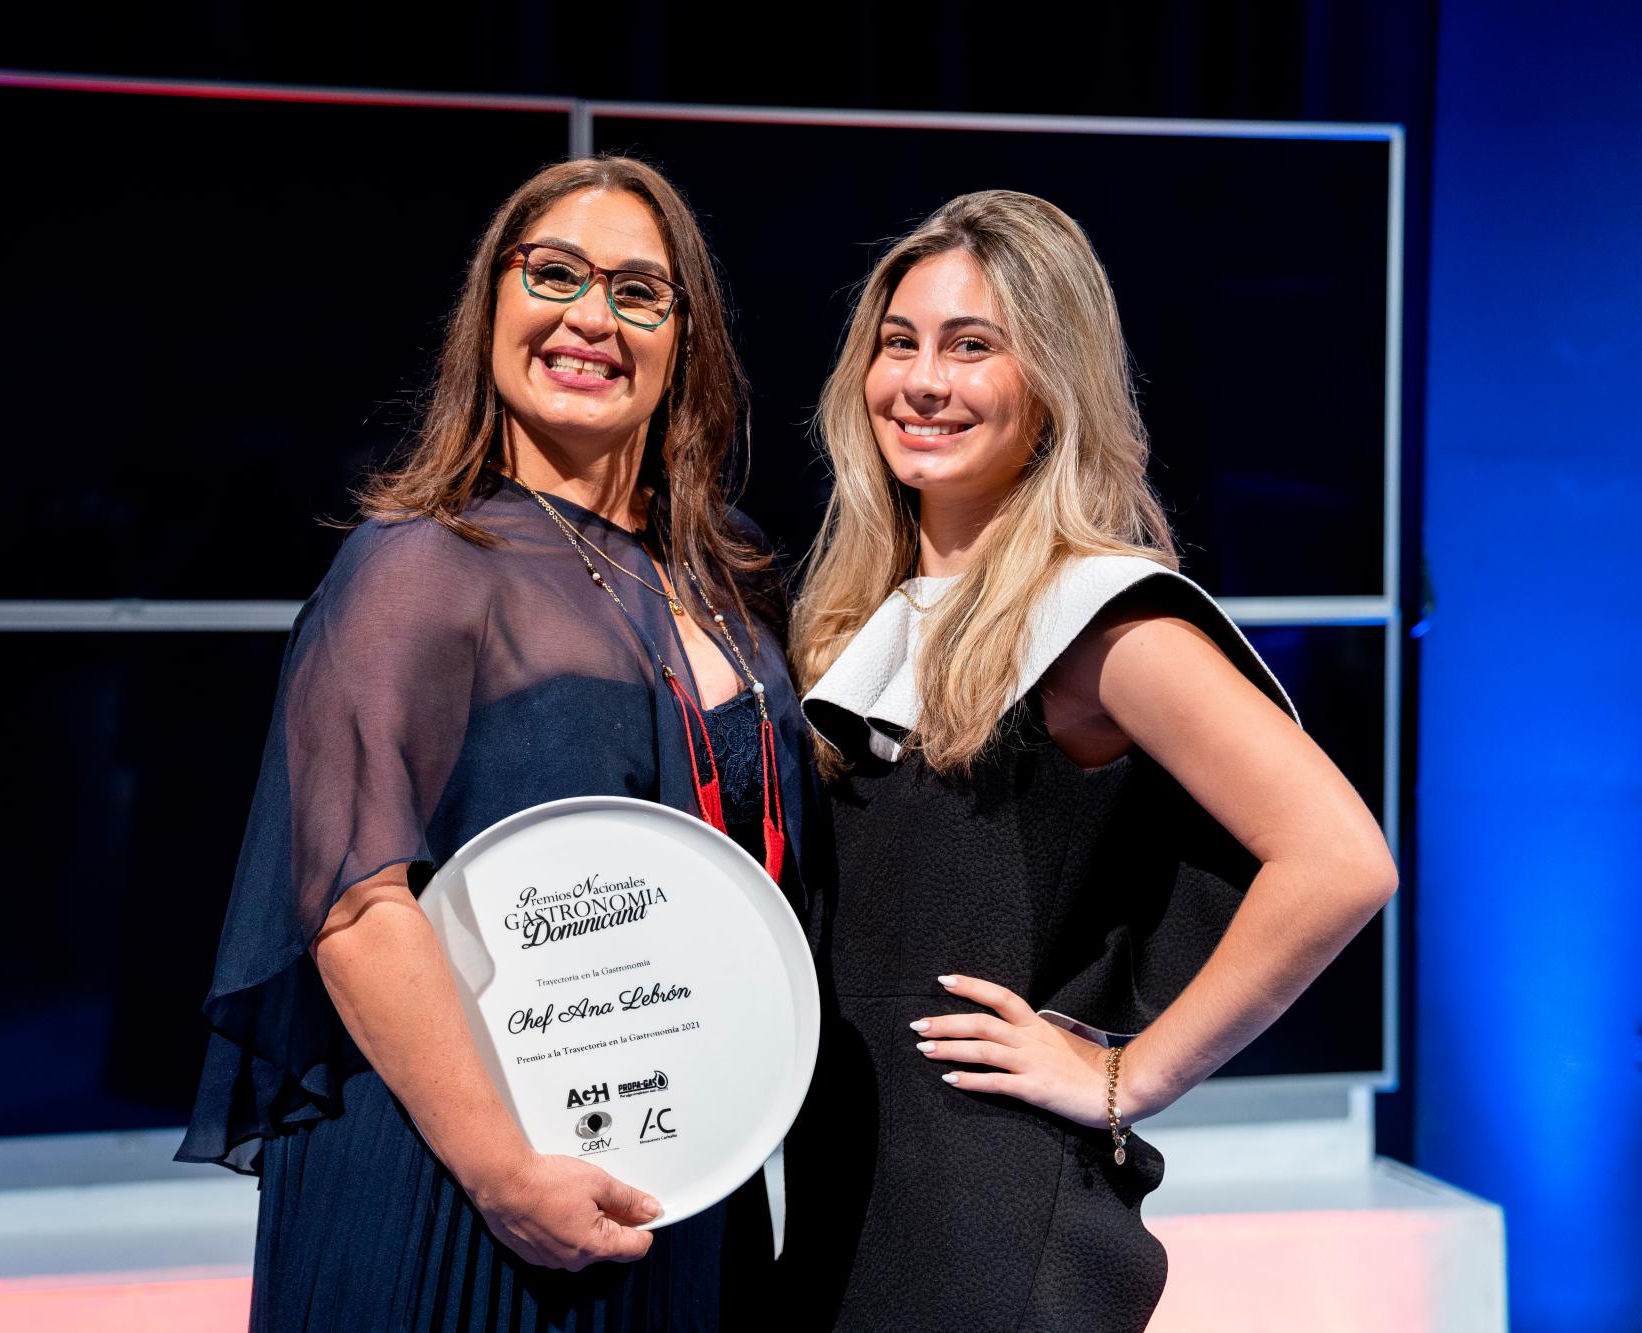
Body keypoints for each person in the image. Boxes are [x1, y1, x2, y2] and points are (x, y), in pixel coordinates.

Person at [174, 155, 819, 1332]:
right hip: (461, 1179)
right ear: (491, 306)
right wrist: (503, 1174)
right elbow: (355, 905)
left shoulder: (727, 568)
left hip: (671, 1162)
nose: (589, 318)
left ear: (687, 338)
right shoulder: (421, 565)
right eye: (555, 274)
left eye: (638, 291)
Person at [781, 190, 1399, 1331]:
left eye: (973, 347)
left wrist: (1128, 1077)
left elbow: (1339, 859)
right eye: (898, 343)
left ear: (1051, 384)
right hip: (851, 1201)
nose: (921, 381)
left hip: (987, 1222)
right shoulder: (859, 612)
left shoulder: (1098, 617)